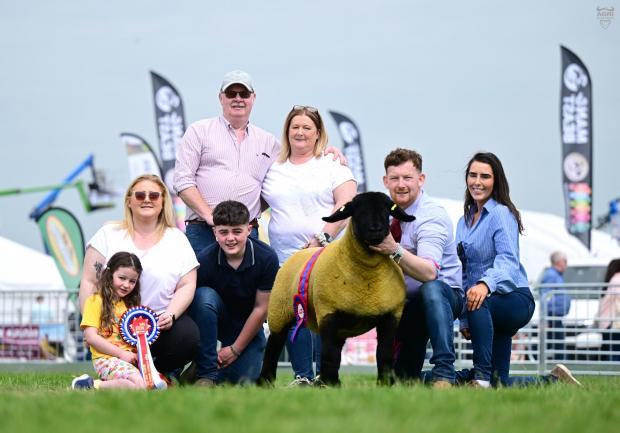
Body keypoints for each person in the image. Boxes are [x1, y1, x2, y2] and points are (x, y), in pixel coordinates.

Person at [173, 70, 345, 256]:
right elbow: (183, 181)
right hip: (203, 231)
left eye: (244, 94)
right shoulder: (199, 132)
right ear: (221, 98)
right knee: (204, 286)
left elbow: (297, 161)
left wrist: (327, 151)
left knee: (247, 286)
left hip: (247, 233)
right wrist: (211, 218)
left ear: (253, 98)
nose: (238, 98)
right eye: (231, 93)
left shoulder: (268, 143)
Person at [456, 152, 580, 387]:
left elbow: (508, 260)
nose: (477, 182)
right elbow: (465, 272)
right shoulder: (463, 223)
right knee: (499, 382)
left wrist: (485, 285)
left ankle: (480, 379)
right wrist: (464, 319)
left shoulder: (501, 214)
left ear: (496, 181)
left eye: (485, 176)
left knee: (478, 300)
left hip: (514, 298)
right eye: (473, 175)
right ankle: (554, 382)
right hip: (486, 304)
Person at [261, 105, 357, 385]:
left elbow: (347, 204)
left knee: (320, 317)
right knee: (294, 314)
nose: (300, 132)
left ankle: (321, 376)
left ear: (318, 134)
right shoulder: (273, 168)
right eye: (295, 127)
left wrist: (321, 238)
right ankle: (303, 377)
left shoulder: (331, 165)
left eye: (307, 127)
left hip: (324, 256)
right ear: (287, 132)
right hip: (284, 259)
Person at [79, 174, 199, 379]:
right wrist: (90, 323)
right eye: (140, 194)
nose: (147, 199)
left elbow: (188, 284)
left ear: (163, 201)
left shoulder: (177, 238)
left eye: (154, 195)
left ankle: (156, 372)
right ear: (129, 200)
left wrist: (170, 315)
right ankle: (126, 371)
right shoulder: (108, 233)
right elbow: (90, 281)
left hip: (158, 328)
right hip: (114, 328)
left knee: (189, 335)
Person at [368, 148, 463, 388]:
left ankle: (444, 370)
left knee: (431, 289)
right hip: (407, 305)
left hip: (443, 298)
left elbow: (429, 273)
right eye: (395, 178)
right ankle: (471, 379)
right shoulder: (384, 214)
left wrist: (394, 249)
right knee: (402, 382)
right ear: (385, 181)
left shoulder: (430, 215)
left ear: (421, 179)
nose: (401, 185)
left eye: (407, 178)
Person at [186, 201, 279, 386]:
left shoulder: (267, 258)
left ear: (249, 230)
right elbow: (196, 309)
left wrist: (235, 349)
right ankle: (206, 372)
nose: (230, 238)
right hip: (216, 321)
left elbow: (261, 309)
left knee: (243, 382)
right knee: (204, 297)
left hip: (248, 324)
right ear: (215, 233)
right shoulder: (204, 260)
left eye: (237, 231)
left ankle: (201, 368)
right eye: (223, 232)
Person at [72, 252, 146, 390]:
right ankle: (89, 385)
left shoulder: (131, 306)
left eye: (132, 281)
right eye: (122, 278)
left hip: (130, 361)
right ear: (110, 274)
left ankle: (96, 385)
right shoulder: (95, 301)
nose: (126, 285)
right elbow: (90, 337)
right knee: (139, 385)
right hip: (105, 359)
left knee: (160, 385)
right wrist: (121, 354)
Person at [539, 251, 571, 360]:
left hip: (554, 315)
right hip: (552, 315)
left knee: (555, 342)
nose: (566, 264)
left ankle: (559, 366)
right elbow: (545, 296)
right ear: (558, 262)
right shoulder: (552, 275)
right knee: (557, 343)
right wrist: (545, 319)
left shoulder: (555, 275)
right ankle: (560, 367)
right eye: (565, 261)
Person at [594, 258, 620, 362]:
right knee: (614, 350)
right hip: (613, 322)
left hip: (606, 322)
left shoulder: (612, 279)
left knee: (609, 350)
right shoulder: (618, 279)